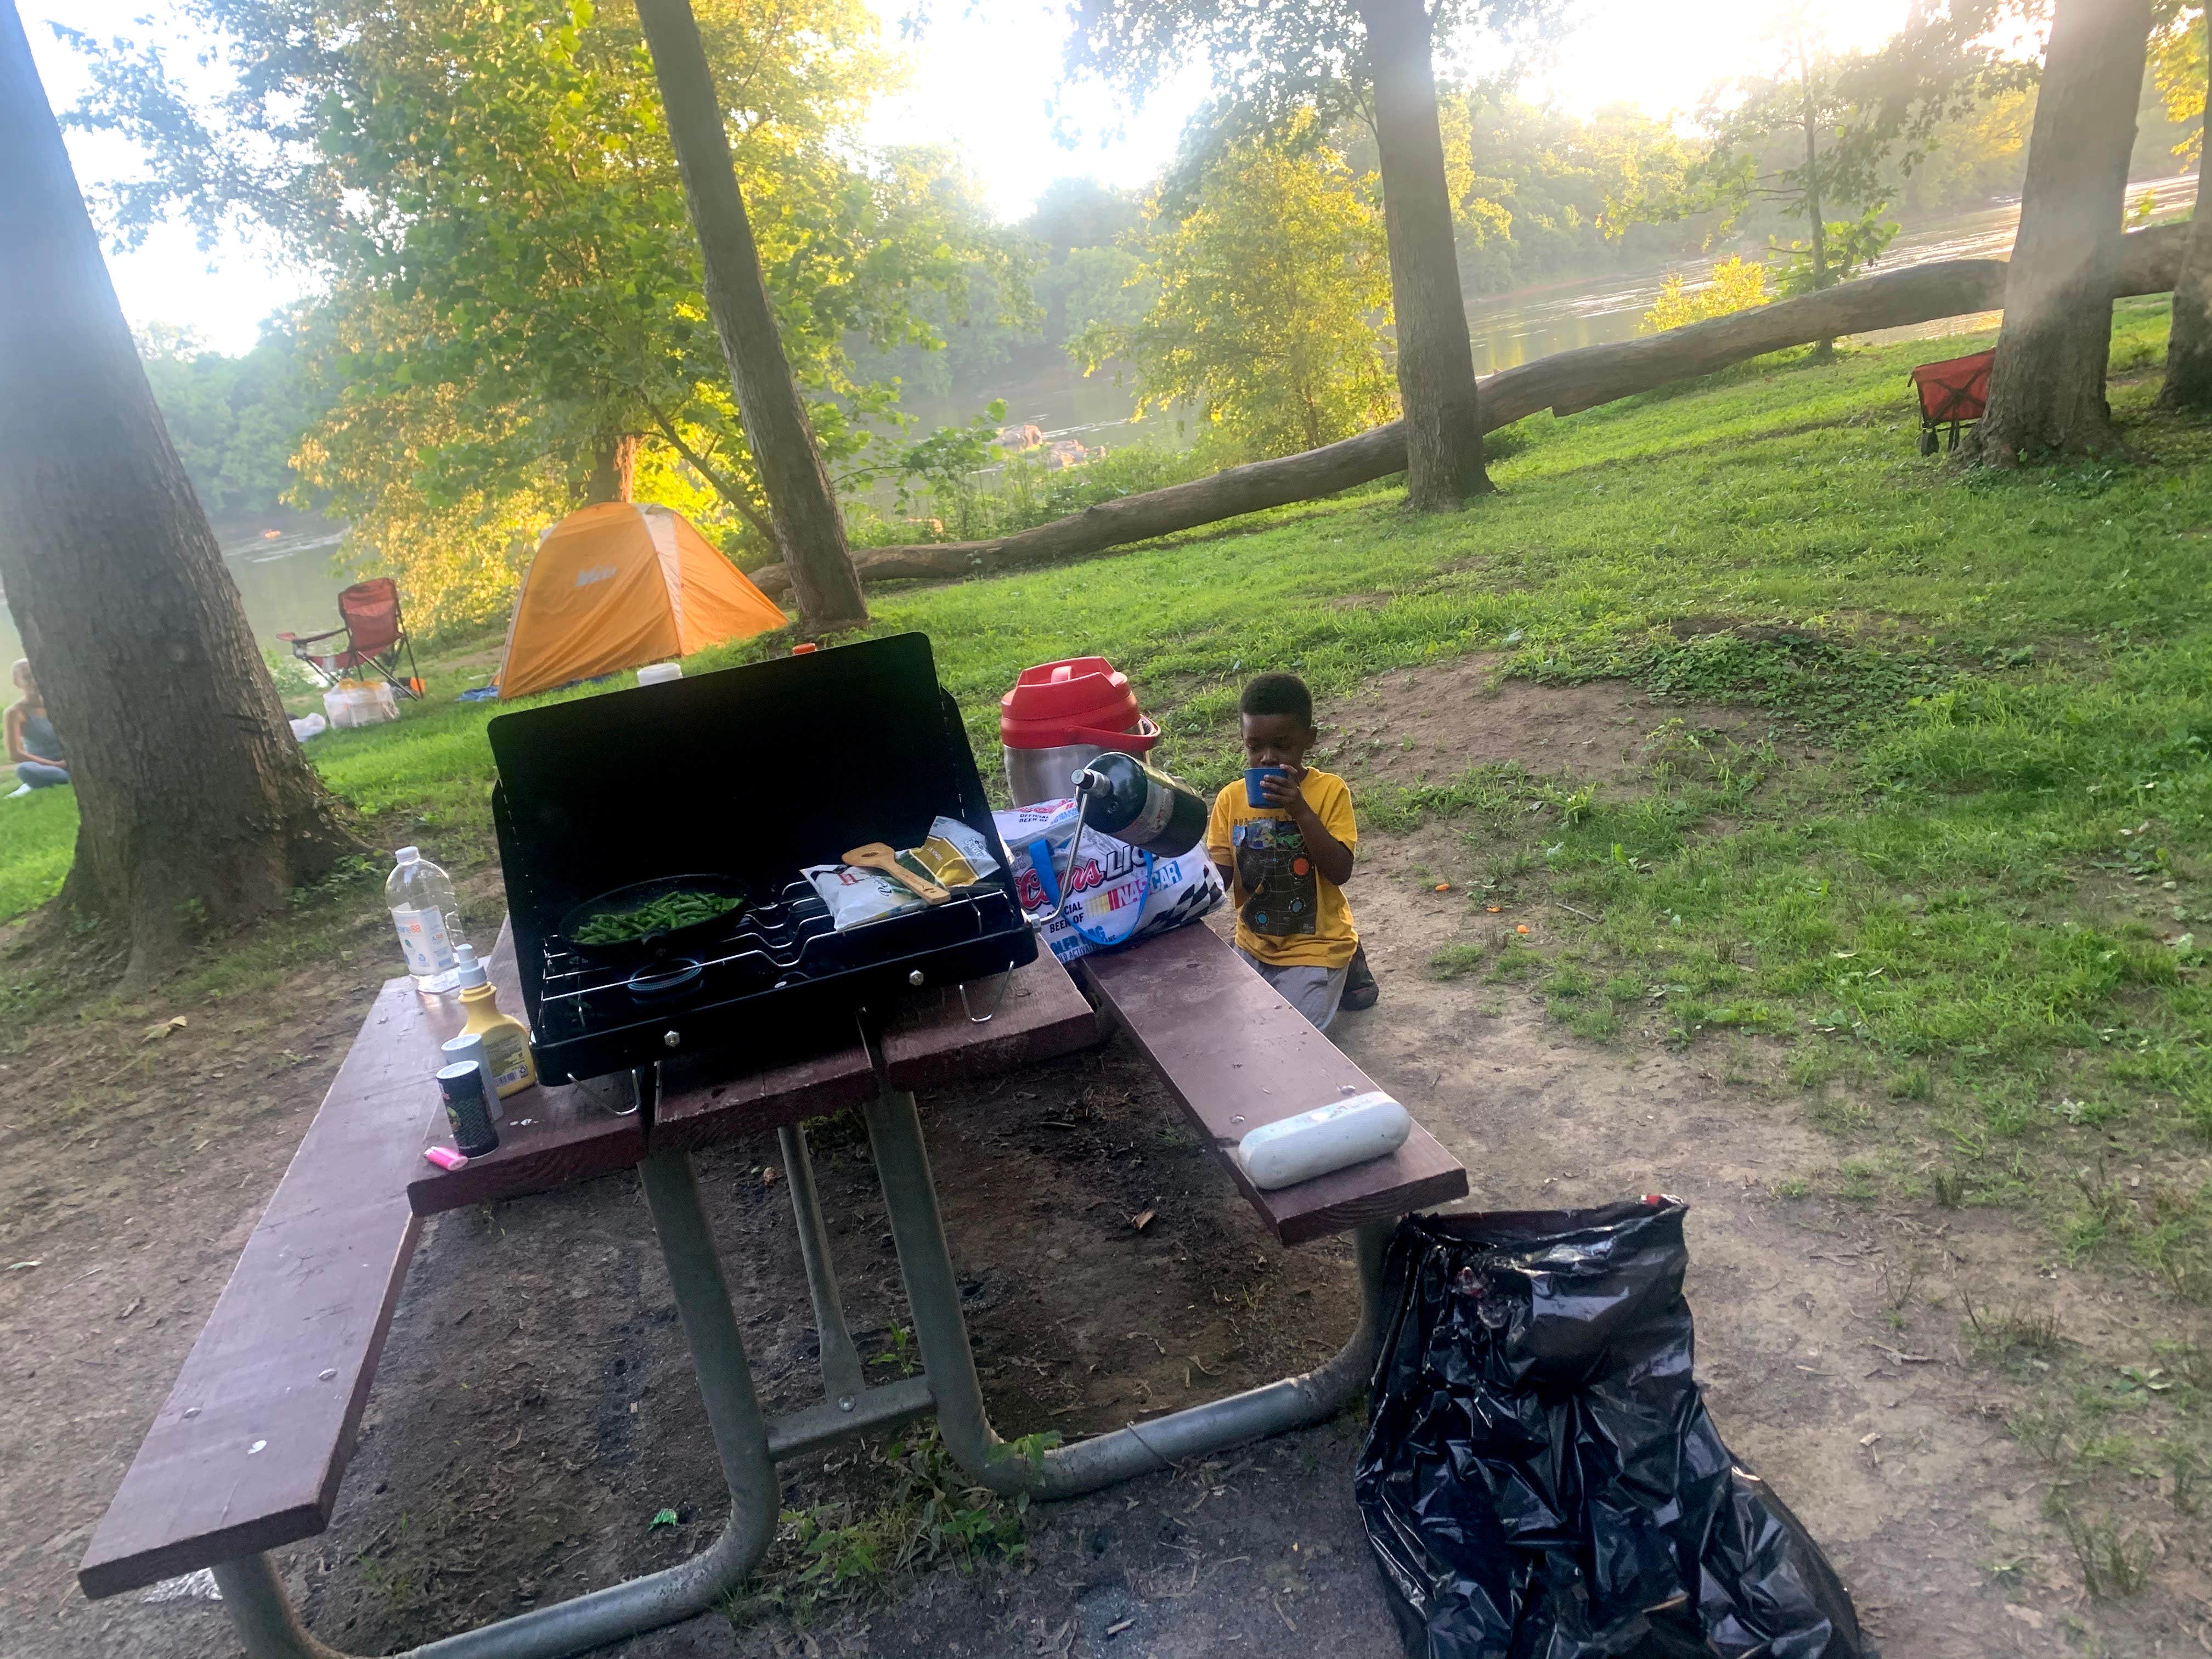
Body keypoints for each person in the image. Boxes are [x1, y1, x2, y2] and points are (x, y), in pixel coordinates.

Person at [1207, 672, 1368, 1031]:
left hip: (1316, 948)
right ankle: (1348, 972)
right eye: (1254, 746)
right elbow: (1218, 880)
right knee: (1236, 1031)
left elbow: (1340, 871)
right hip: (1253, 943)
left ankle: (1348, 961)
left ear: (1308, 739)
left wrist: (1301, 812)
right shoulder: (1230, 799)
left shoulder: (1329, 792)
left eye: (1282, 746)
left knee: (1292, 1041)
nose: (1267, 758)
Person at [5, 660, 68, 794]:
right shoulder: (15, 713)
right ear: (17, 683)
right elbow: (15, 754)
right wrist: (57, 765)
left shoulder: (62, 702)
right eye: (27, 677)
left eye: (36, 674)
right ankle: (67, 777)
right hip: (46, 767)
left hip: (75, 760)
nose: (34, 680)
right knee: (24, 770)